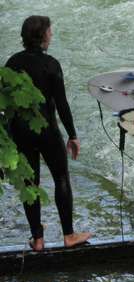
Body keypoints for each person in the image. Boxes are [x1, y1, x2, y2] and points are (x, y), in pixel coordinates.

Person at [5, 16, 92, 251]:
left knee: (29, 182)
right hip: (47, 131)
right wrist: (73, 135)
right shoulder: (51, 64)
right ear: (42, 36)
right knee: (61, 178)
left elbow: (7, 104)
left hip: (21, 131)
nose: (52, 35)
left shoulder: (12, 63)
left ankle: (38, 239)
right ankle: (68, 235)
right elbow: (62, 104)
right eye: (50, 32)